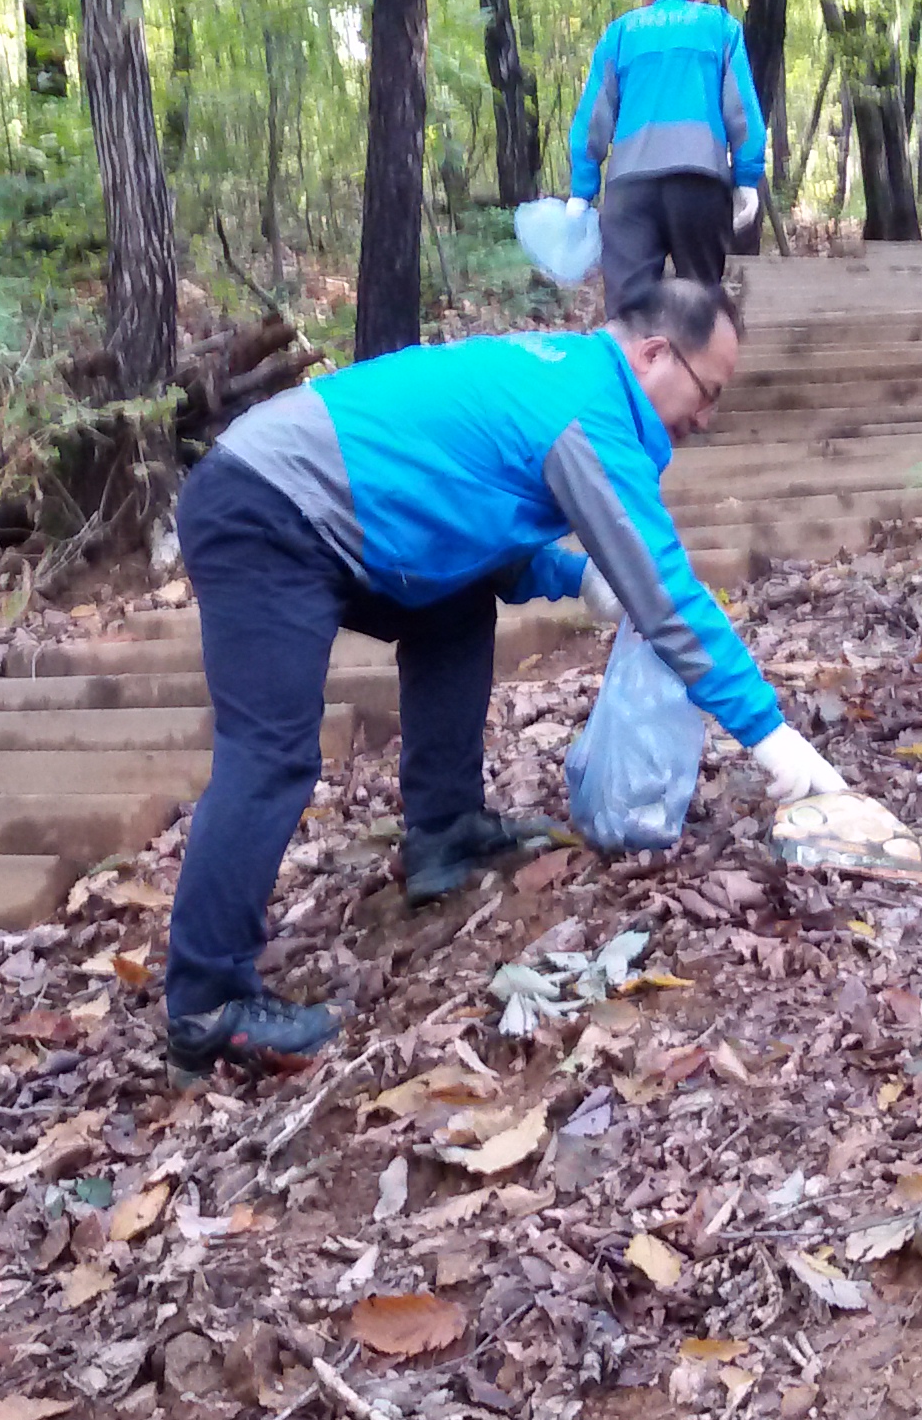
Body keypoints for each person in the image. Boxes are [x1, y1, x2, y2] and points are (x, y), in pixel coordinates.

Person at [165, 277, 853, 1081]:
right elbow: (667, 598)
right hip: (270, 505)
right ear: (656, 355)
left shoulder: (568, 379)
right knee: (272, 751)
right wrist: (772, 738)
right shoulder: (584, 411)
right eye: (708, 392)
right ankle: (208, 1003)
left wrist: (573, 577)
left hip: (325, 504)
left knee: (453, 601)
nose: (705, 417)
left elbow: (470, 517)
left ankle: (444, 829)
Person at [564, 0, 769, 307]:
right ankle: (695, 358)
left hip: (630, 189)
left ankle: (631, 360)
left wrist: (582, 192)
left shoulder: (621, 32)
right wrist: (747, 178)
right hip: (699, 183)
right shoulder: (720, 26)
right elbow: (743, 111)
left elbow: (592, 117)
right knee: (700, 301)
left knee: (628, 309)